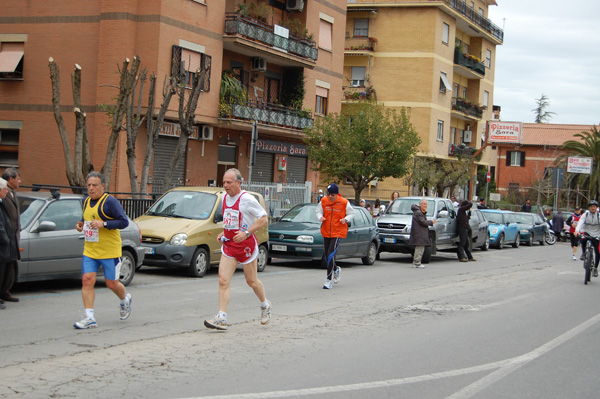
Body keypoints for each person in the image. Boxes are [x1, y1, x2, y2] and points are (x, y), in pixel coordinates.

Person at [204, 168, 271, 331]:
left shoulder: (246, 199)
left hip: (246, 245)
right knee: (223, 280)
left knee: (252, 281)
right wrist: (224, 232)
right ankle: (222, 317)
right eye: (224, 182)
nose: (225, 185)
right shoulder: (224, 198)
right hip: (229, 245)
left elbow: (263, 218)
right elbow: (231, 221)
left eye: (229, 182)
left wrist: (247, 233)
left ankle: (265, 305)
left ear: (238, 183)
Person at [73, 172, 132, 329]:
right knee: (87, 280)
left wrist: (104, 224)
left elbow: (124, 222)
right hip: (90, 250)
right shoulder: (85, 201)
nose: (91, 188)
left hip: (109, 251)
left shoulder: (110, 202)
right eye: (89, 185)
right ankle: (89, 317)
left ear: (103, 186)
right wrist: (80, 224)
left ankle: (125, 299)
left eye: (95, 185)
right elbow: (86, 219)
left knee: (112, 284)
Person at [316, 183, 355, 289]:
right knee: (327, 255)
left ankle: (328, 280)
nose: (330, 196)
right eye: (329, 194)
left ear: (337, 194)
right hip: (326, 231)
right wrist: (320, 217)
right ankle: (336, 269)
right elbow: (318, 211)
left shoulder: (344, 202)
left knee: (330, 255)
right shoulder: (323, 201)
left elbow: (352, 213)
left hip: (338, 231)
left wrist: (345, 219)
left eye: (332, 195)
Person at [0, 168, 20, 303]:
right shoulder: (3, 196)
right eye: (18, 178)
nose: (20, 181)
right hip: (5, 237)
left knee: (10, 266)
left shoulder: (12, 193)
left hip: (12, 236)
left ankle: (5, 292)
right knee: (3, 267)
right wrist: (6, 238)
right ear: (10, 179)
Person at [575, 200, 600, 277]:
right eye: (591, 206)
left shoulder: (599, 216)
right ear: (589, 207)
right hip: (587, 232)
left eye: (594, 207)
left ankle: (595, 268)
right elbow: (580, 223)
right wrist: (577, 230)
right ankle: (583, 253)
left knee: (598, 252)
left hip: (597, 234)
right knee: (583, 239)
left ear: (596, 208)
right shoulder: (585, 215)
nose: (593, 208)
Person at [409, 199, 436, 268]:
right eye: (424, 204)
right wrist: (431, 222)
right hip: (419, 233)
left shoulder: (420, 212)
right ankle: (416, 262)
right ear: (420, 204)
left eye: (426, 204)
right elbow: (423, 222)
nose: (426, 206)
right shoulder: (419, 212)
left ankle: (416, 262)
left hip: (420, 233)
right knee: (419, 248)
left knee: (420, 248)